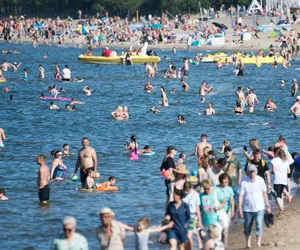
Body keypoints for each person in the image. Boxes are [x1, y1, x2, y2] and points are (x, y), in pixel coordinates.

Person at [238, 164, 271, 249]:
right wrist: (239, 208)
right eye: (250, 171)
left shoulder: (260, 180)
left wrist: (267, 205)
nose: (252, 173)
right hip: (247, 209)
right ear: (247, 173)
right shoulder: (244, 182)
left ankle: (258, 242)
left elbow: (264, 193)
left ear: (256, 172)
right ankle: (248, 243)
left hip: (259, 207)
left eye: (253, 171)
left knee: (259, 224)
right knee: (247, 226)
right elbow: (241, 196)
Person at [271, 147, 292, 212]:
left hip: (277, 180)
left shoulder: (274, 160)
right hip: (284, 180)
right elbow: (289, 171)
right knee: (280, 194)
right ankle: (282, 208)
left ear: (275, 153)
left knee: (277, 196)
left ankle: (281, 208)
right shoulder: (285, 160)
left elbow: (274, 171)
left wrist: (271, 172)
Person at [183, 182, 203, 250]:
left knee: (189, 235)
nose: (186, 191)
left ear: (190, 188)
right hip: (184, 218)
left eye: (187, 190)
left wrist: (199, 221)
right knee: (185, 237)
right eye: (185, 190)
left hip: (193, 218)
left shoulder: (196, 195)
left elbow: (197, 209)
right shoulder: (183, 194)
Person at [218, 173, 234, 246]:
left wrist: (233, 210)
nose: (226, 180)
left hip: (227, 211)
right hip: (218, 212)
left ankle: (224, 246)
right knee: (218, 230)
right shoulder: (216, 188)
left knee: (225, 230)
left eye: (227, 179)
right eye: (224, 179)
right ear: (221, 180)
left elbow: (231, 200)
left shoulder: (230, 189)